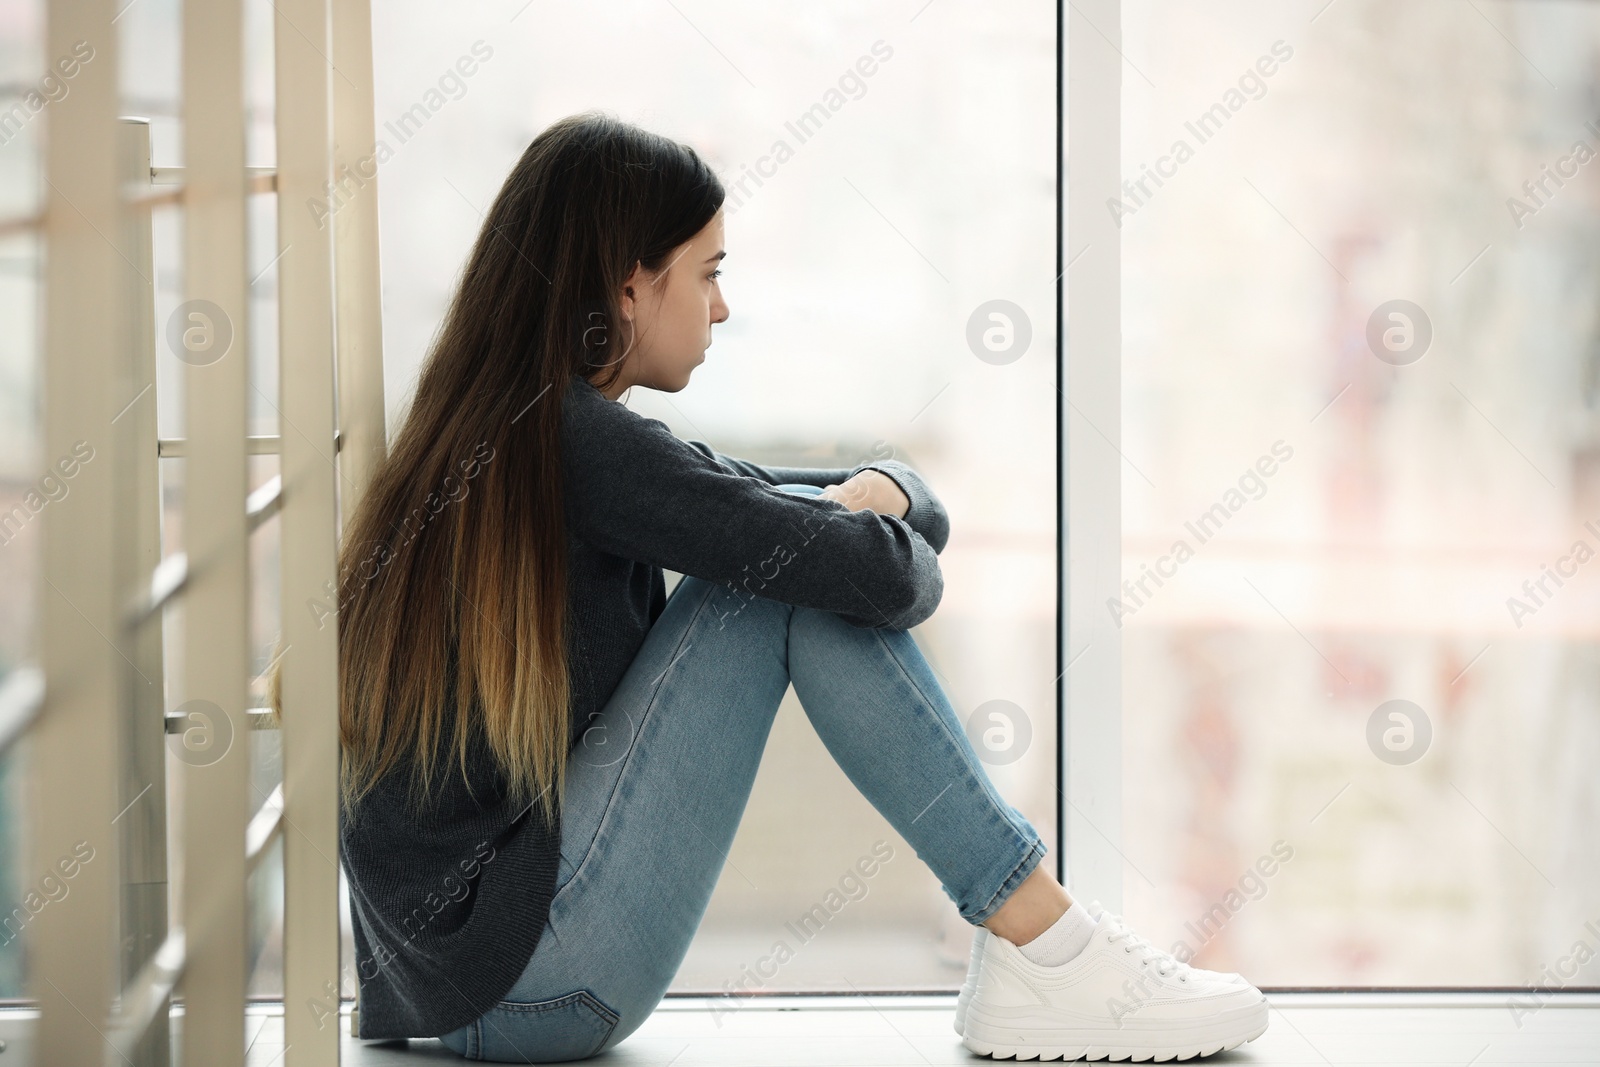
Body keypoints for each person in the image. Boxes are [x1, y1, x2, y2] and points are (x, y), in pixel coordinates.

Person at [323, 110, 1268, 1062]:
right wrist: (873, 517)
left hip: (466, 986)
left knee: (779, 563)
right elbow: (868, 570)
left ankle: (1040, 940)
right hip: (530, 981)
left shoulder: (518, 428)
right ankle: (1046, 942)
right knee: (773, 585)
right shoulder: (581, 446)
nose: (722, 308)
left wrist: (888, 495)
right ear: (629, 284)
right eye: (709, 272)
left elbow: (843, 511)